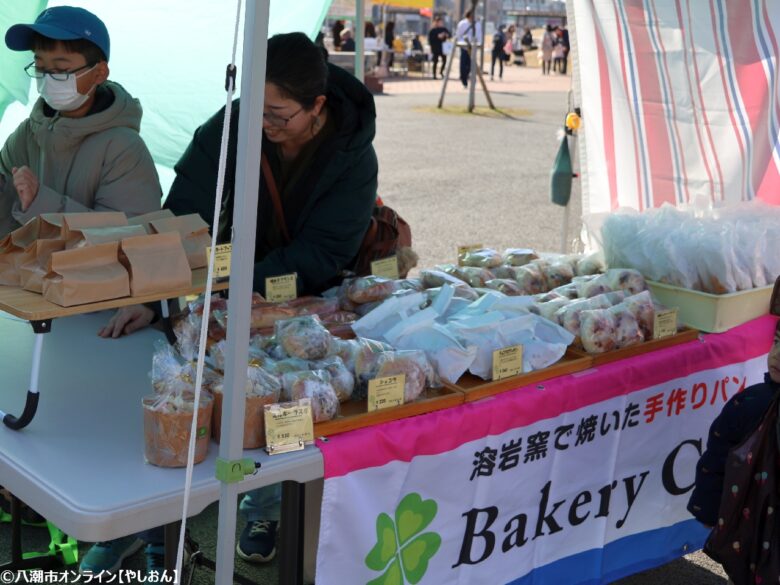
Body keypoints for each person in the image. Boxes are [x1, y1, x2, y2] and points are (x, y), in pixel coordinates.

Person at [99, 32, 379, 564]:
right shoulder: (229, 128)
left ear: (317, 106)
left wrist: (234, 290)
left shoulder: (352, 153)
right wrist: (159, 296)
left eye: (279, 114)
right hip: (225, 292)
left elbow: (323, 250)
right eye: (256, 107)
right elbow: (183, 218)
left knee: (284, 403)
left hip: (301, 302)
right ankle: (157, 527)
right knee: (193, 392)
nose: (264, 123)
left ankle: (264, 508)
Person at [0, 5, 161, 238]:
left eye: (61, 70)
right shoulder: (26, 135)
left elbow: (131, 238)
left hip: (86, 275)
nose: (48, 79)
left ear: (99, 73)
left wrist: (40, 202)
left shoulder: (124, 149)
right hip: (26, 273)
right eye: (41, 67)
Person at [687, 319, 780, 581]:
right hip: (751, 526)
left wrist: (707, 512)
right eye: (776, 342)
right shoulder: (749, 404)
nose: (777, 354)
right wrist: (707, 507)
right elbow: (717, 459)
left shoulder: (749, 402)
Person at [455, 10, 482, 88]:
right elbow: (458, 35)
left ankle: (467, 76)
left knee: (471, 64)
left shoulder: (477, 24)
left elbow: (479, 35)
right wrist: (462, 44)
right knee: (463, 64)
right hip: (464, 47)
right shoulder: (462, 24)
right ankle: (463, 79)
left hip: (473, 47)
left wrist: (478, 44)